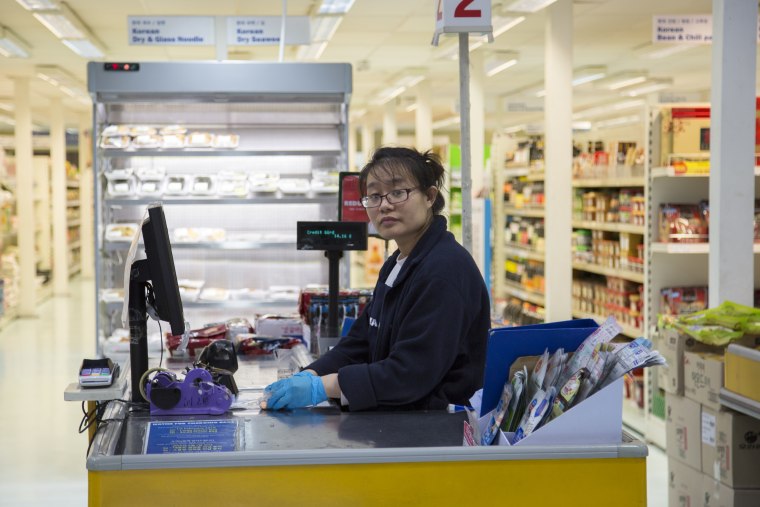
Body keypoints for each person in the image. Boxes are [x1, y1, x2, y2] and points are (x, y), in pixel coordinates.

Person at [264, 146, 490, 411]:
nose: (384, 205)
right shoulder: (398, 263)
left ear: (429, 196)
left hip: (440, 429)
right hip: (406, 418)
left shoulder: (444, 270)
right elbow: (361, 342)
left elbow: (409, 374)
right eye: (374, 195)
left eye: (397, 192)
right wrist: (310, 374)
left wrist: (325, 387)